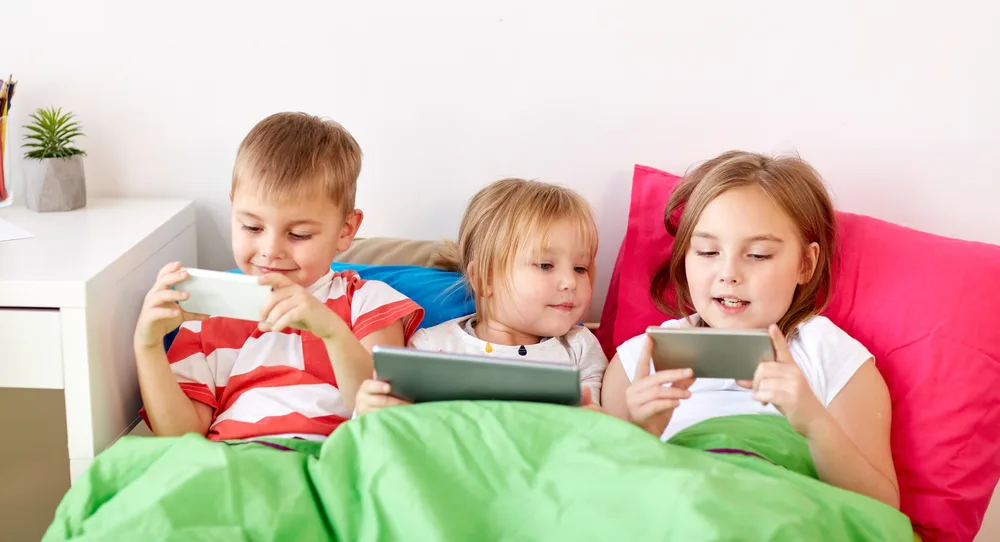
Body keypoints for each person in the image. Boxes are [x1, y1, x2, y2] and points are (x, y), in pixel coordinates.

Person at [601, 150, 900, 508]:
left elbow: (881, 510)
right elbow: (611, 501)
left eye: (757, 255)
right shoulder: (638, 361)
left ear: (806, 263)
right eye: (708, 252)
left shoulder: (830, 355)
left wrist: (815, 424)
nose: (729, 273)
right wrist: (642, 434)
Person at [133, 112, 424, 441]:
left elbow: (380, 411)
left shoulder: (369, 302)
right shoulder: (204, 315)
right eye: (252, 227)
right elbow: (181, 435)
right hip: (234, 465)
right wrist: (148, 346)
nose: (270, 250)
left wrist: (330, 330)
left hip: (331, 459)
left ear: (345, 230)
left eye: (298, 234)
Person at [355, 178, 608, 414]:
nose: (570, 282)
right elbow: (397, 430)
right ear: (486, 278)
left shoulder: (580, 348)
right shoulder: (432, 348)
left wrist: (595, 420)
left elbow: (596, 435)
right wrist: (369, 409)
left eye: (580, 268)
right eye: (545, 265)